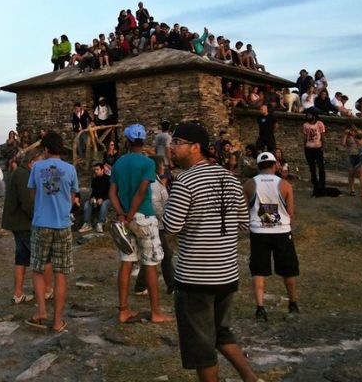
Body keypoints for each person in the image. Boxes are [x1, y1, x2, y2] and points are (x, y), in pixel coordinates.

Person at [163, 123, 259, 382]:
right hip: (226, 273)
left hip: (196, 277)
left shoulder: (185, 181)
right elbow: (244, 223)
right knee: (221, 332)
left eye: (177, 142)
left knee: (202, 348)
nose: (172, 147)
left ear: (195, 147)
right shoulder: (230, 178)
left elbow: (171, 226)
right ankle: (250, 378)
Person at [108, 124, 173, 324]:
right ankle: (155, 312)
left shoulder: (118, 163)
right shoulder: (147, 163)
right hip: (144, 216)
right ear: (143, 141)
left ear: (127, 141)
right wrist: (131, 215)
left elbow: (112, 194)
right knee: (150, 264)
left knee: (126, 262)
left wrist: (122, 215)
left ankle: (123, 310)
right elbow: (142, 191)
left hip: (125, 219)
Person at [25, 131, 78, 333]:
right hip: (62, 224)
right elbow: (72, 197)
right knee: (61, 273)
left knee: (38, 269)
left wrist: (42, 204)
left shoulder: (37, 167)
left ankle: (41, 311)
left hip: (41, 223)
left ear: (46, 149)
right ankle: (57, 321)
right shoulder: (70, 169)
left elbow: (32, 193)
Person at [243, 152, 300, 322]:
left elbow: (244, 208)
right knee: (288, 269)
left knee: (258, 270)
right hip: (281, 231)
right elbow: (290, 212)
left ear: (258, 166)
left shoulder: (249, 184)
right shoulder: (285, 185)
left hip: (259, 232)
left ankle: (260, 308)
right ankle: (293, 303)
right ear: (275, 165)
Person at [2, 150, 54, 304]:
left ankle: (18, 294)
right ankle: (47, 290)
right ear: (33, 161)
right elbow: (28, 203)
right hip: (24, 223)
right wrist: (41, 218)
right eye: (41, 161)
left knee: (22, 258)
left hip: (17, 223)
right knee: (44, 256)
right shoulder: (24, 175)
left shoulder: (19, 173)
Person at [134, 156, 176, 296]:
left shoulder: (155, 182)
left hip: (157, 224)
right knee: (164, 255)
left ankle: (141, 285)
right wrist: (166, 219)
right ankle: (171, 286)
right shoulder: (154, 185)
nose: (164, 167)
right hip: (156, 225)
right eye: (162, 165)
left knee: (155, 255)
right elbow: (157, 206)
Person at [79, 163, 111, 233]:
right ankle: (87, 224)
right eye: (95, 170)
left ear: (102, 170)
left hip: (108, 199)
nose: (95, 171)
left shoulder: (108, 179)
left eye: (97, 169)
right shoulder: (94, 180)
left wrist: (103, 199)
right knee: (87, 203)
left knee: (104, 203)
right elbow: (93, 192)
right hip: (97, 199)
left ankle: (100, 223)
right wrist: (92, 198)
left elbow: (110, 193)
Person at [303, 112, 326, 196]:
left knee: (321, 166)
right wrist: (305, 146)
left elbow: (323, 136)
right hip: (309, 148)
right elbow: (305, 136)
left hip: (318, 148)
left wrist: (323, 146)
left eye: (309, 115)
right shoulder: (305, 125)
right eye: (307, 115)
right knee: (311, 165)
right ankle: (314, 180)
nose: (308, 116)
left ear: (314, 116)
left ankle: (322, 182)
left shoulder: (320, 124)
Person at [342, 125, 362, 196]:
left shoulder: (359, 135)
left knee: (360, 172)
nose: (352, 132)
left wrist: (358, 134)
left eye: (353, 130)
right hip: (350, 155)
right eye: (350, 130)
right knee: (351, 173)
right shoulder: (347, 136)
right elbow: (343, 144)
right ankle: (352, 190)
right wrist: (345, 134)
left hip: (359, 155)